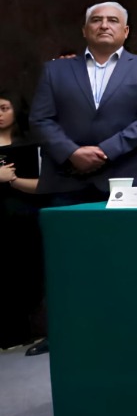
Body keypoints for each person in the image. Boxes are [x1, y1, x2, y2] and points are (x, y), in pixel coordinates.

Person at [31, 2, 137, 201]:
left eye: (113, 20)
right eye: (96, 20)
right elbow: (40, 119)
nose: (104, 25)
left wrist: (105, 151)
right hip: (65, 178)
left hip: (125, 176)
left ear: (126, 31)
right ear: (85, 30)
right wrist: (72, 152)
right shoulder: (55, 70)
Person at [0, 89, 46, 353]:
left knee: (27, 276)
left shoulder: (31, 143)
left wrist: (12, 180)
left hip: (24, 218)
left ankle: (29, 333)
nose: (0, 114)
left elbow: (43, 185)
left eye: (5, 108)